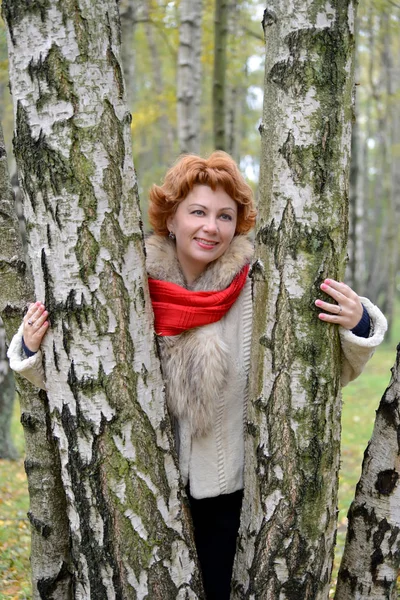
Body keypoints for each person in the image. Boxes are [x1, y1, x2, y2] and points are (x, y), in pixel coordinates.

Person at [8, 151, 387, 600]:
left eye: (226, 216)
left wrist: (358, 320)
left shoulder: (255, 288)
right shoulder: (127, 286)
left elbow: (316, 374)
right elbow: (86, 383)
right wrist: (32, 347)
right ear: (170, 218)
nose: (212, 227)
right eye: (199, 212)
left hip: (235, 499)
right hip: (144, 493)